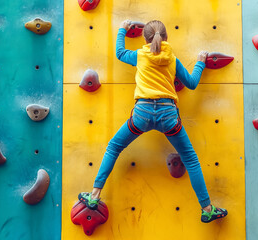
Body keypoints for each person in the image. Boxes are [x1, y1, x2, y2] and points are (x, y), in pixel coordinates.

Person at [78, 20, 227, 223]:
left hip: (142, 114)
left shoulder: (139, 55)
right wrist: (200, 62)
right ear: (165, 37)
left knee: (113, 148)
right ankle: (207, 209)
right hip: (168, 116)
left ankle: (94, 195)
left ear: (145, 38)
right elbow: (191, 84)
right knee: (190, 160)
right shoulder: (172, 59)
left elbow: (120, 53)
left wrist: (122, 28)